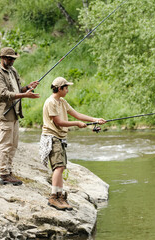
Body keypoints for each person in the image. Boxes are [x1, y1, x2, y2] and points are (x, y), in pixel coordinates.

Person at [40, 77, 106, 211]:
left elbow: (77, 115)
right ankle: (54, 197)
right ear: (59, 89)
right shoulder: (51, 102)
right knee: (58, 167)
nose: (68, 90)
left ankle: (60, 196)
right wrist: (76, 124)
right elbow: (58, 122)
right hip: (52, 137)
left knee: (61, 167)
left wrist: (95, 120)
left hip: (60, 138)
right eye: (66, 88)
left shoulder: (62, 101)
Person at [0, 47, 40, 186]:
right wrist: (25, 95)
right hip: (5, 113)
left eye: (13, 59)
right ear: (2, 58)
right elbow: (5, 94)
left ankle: (9, 171)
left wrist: (27, 87)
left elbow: (18, 90)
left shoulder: (13, 71)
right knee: (5, 144)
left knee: (13, 144)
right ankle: (3, 174)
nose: (12, 61)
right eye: (10, 58)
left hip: (15, 113)